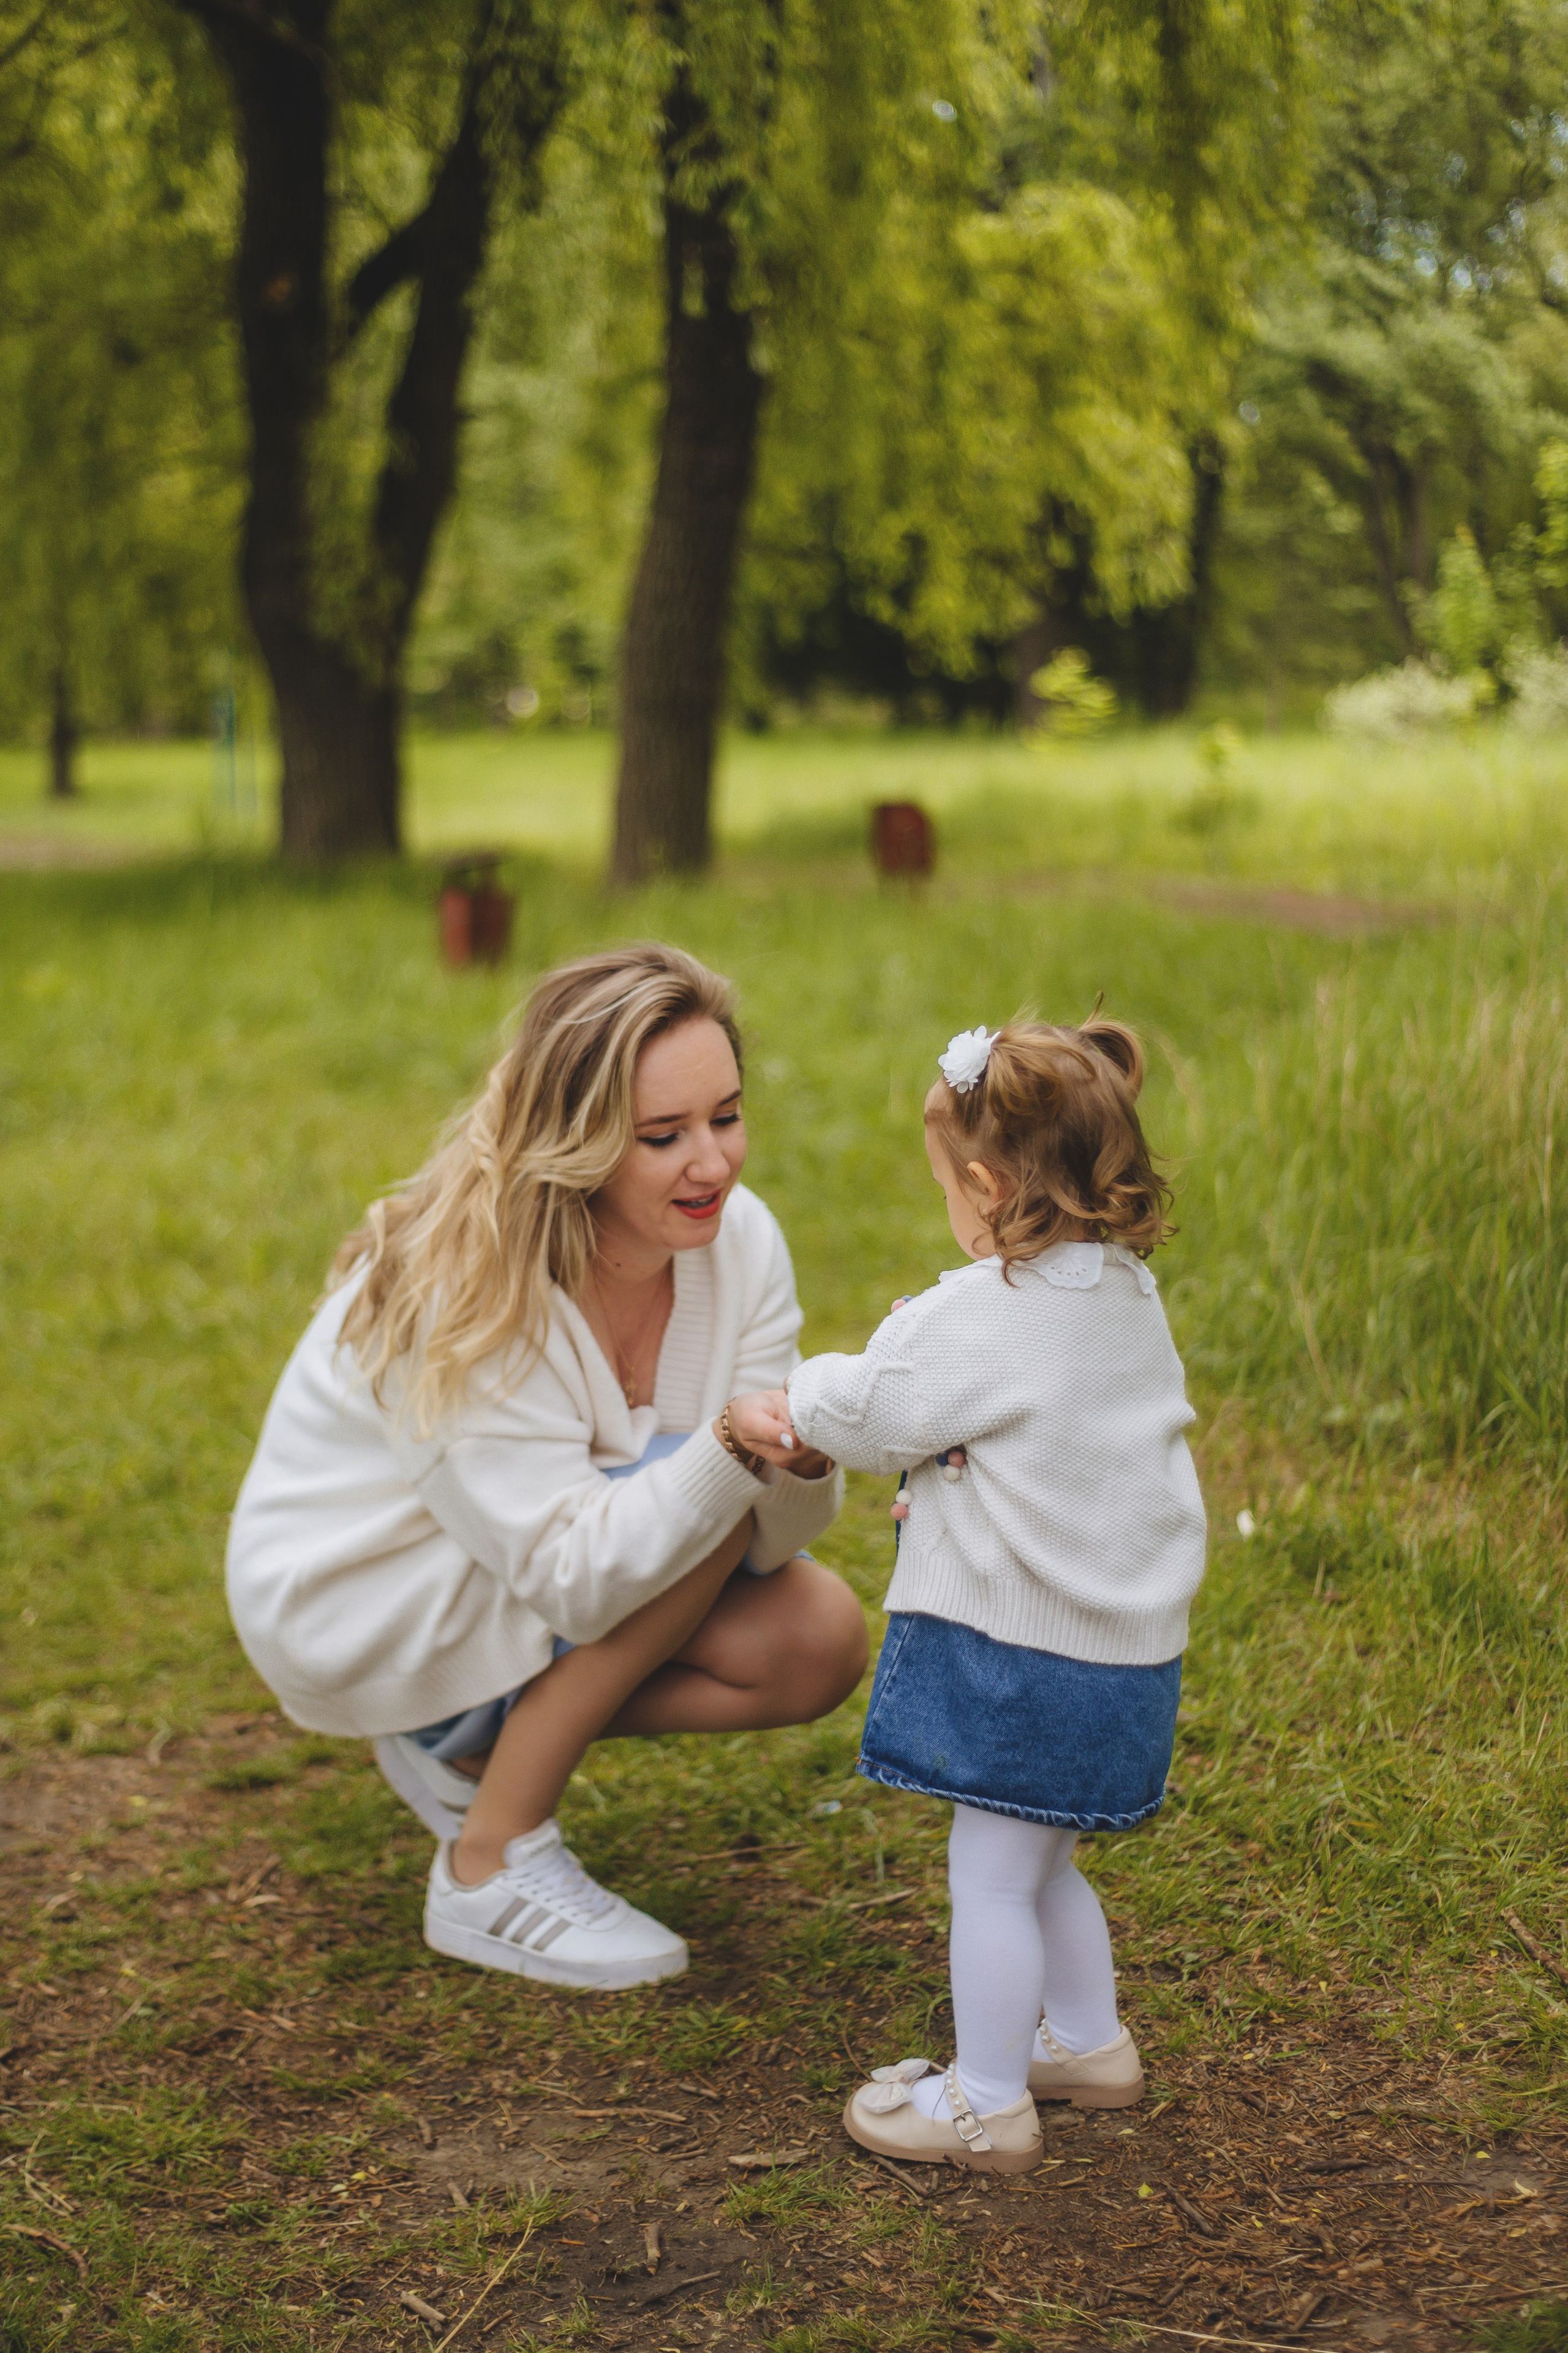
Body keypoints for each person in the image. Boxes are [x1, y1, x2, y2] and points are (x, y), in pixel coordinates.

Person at [226, 944, 861, 1991]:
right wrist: (731, 1449)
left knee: (815, 1638)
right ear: (578, 1144)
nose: (713, 1163)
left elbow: (778, 1537)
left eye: (726, 1116)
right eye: (663, 1136)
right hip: (361, 1596)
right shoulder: (465, 1285)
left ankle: (478, 1749)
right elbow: (582, 1574)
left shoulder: (742, 1244)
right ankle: (489, 1861)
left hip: (548, 1560)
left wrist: (802, 1449)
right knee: (701, 1497)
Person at [726, 1016, 1206, 2173]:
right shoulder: (1125, 1296)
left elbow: (874, 1409)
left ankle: (988, 2102)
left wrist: (799, 1392)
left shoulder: (986, 1313)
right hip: (1126, 1659)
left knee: (988, 1880)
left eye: (950, 1186)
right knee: (1047, 1862)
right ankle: (1088, 2041)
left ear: (987, 1186)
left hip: (1022, 1658)